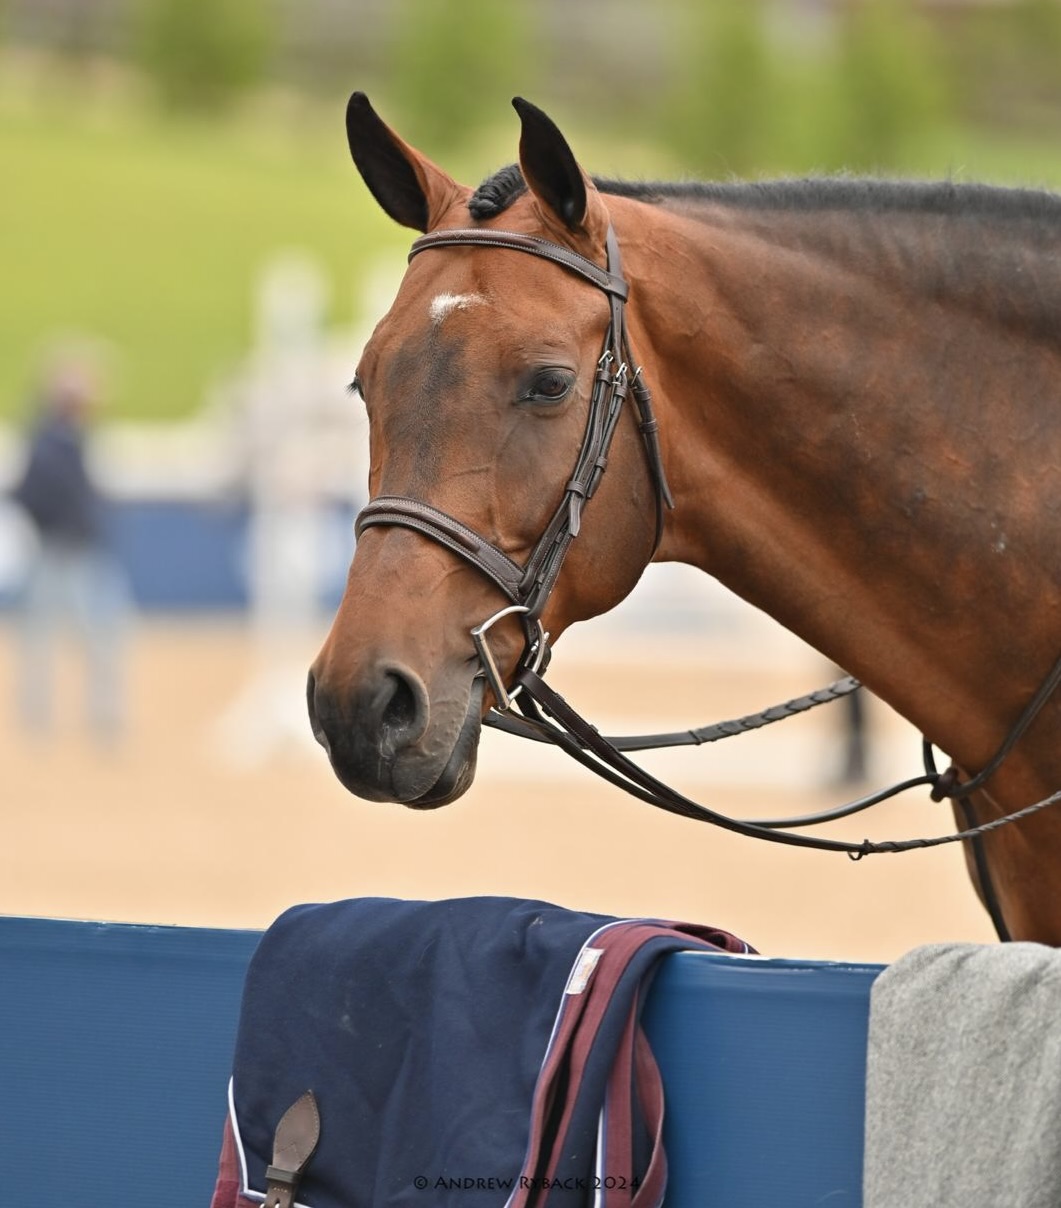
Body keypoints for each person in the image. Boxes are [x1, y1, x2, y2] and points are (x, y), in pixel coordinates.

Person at [9, 346, 130, 743]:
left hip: (68, 552)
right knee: (83, 639)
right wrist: (69, 524)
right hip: (65, 554)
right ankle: (62, 721)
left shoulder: (64, 439)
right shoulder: (53, 443)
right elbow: (32, 495)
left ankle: (66, 721)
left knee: (63, 639)